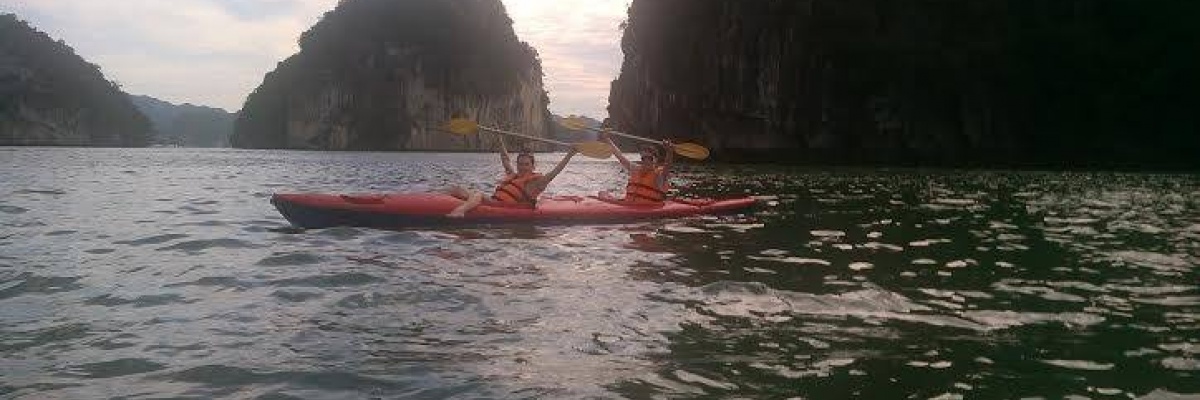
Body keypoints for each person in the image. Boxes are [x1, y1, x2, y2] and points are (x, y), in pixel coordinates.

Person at [446, 136, 577, 217]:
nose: (522, 167)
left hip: (503, 206)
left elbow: (554, 173)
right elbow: (505, 159)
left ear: (533, 166)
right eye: (520, 164)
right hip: (494, 201)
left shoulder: (535, 183)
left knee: (478, 195)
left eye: (526, 164)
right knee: (456, 189)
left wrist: (569, 155)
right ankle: (434, 199)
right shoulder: (514, 176)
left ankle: (460, 211)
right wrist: (499, 139)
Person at [599, 131, 675, 204]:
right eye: (644, 158)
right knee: (602, 193)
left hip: (648, 208)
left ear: (656, 160)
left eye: (650, 158)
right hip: (627, 205)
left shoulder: (659, 176)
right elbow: (620, 157)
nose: (646, 161)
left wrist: (669, 152)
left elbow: (667, 166)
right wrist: (607, 139)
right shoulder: (635, 169)